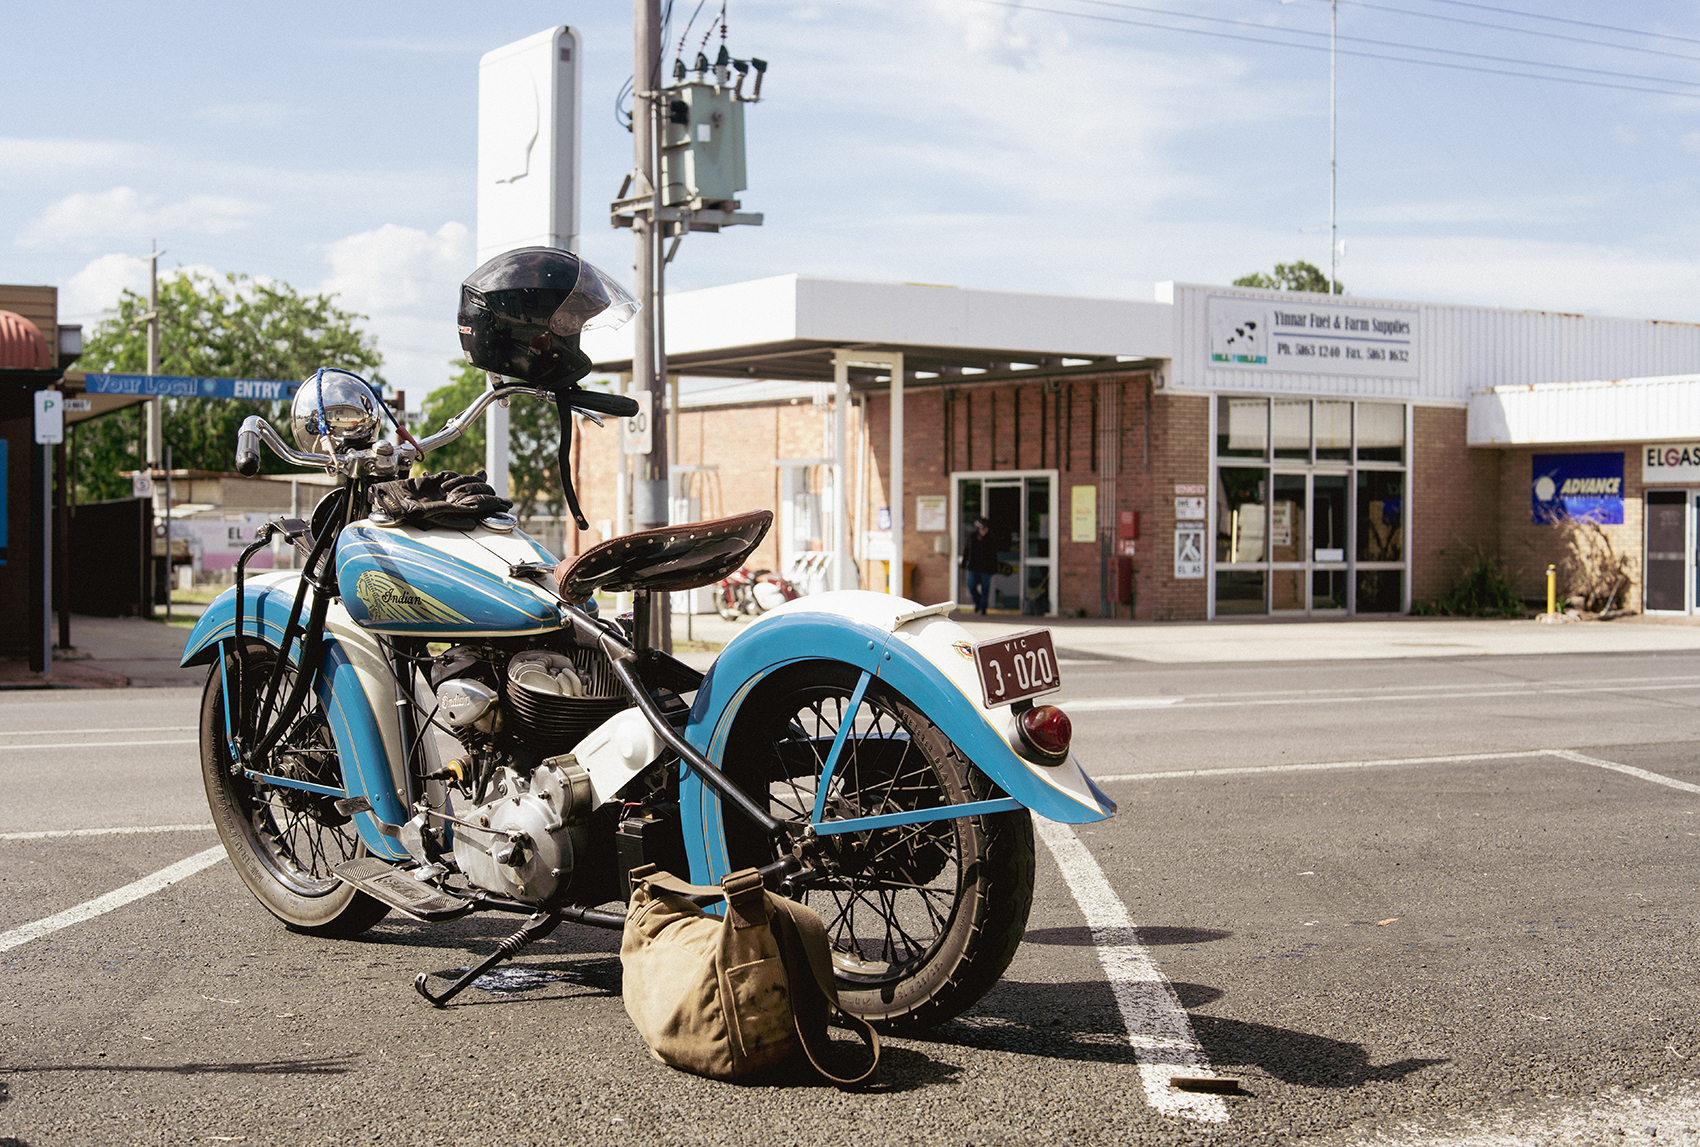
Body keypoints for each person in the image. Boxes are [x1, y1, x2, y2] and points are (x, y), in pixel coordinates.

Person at [960, 518, 998, 615]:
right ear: (978, 529)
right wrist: (963, 564)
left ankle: (983, 608)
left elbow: (993, 555)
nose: (984, 531)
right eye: (982, 529)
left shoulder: (990, 539)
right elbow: (966, 552)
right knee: (971, 585)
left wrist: (994, 568)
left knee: (985, 588)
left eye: (986, 529)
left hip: (986, 568)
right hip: (973, 567)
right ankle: (978, 603)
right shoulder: (972, 538)